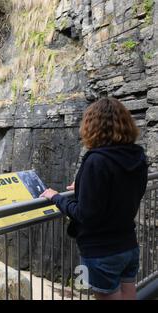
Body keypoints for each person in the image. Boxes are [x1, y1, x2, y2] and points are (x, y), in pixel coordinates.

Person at [40, 97, 148, 300]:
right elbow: (120, 189)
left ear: (92, 125)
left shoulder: (97, 160)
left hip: (102, 251)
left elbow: (86, 214)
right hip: (128, 244)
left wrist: (56, 198)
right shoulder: (136, 156)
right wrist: (83, 187)